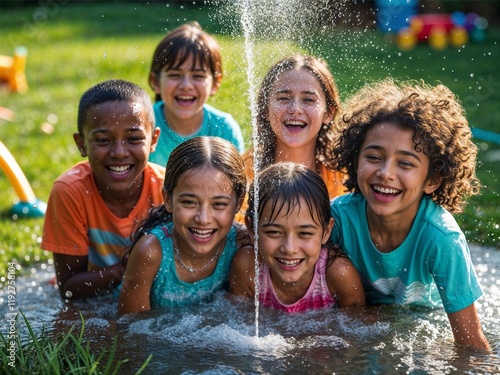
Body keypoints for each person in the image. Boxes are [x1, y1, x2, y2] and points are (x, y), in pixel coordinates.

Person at [328, 78, 490, 350]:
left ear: (433, 179)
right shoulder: (338, 219)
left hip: (422, 327)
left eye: (405, 163)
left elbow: (471, 343)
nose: (385, 173)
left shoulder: (441, 238)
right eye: (373, 157)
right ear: (355, 159)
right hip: (357, 324)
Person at [41, 79, 164, 300]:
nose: (119, 152)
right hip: (99, 296)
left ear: (153, 140)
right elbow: (69, 289)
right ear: (81, 144)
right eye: (103, 140)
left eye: (134, 138)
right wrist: (128, 267)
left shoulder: (168, 189)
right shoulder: (70, 192)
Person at [118, 136, 249, 314]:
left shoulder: (242, 246)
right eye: (189, 202)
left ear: (238, 204)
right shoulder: (151, 253)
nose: (203, 219)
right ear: (168, 200)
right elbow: (131, 330)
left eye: (219, 204)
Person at [230, 162, 365, 313]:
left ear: (326, 231)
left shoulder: (338, 274)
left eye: (305, 233)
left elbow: (357, 324)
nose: (289, 248)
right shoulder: (248, 268)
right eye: (274, 232)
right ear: (252, 228)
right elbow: (241, 321)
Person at [236, 54, 345, 223]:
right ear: (265, 109)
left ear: (328, 112)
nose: (295, 109)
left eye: (308, 100)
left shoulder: (342, 175)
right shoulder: (244, 173)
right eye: (284, 98)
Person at [147, 21, 245, 167]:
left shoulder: (224, 130)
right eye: (175, 75)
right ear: (156, 82)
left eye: (198, 76)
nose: (186, 85)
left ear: (215, 83)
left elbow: (237, 186)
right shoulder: (145, 126)